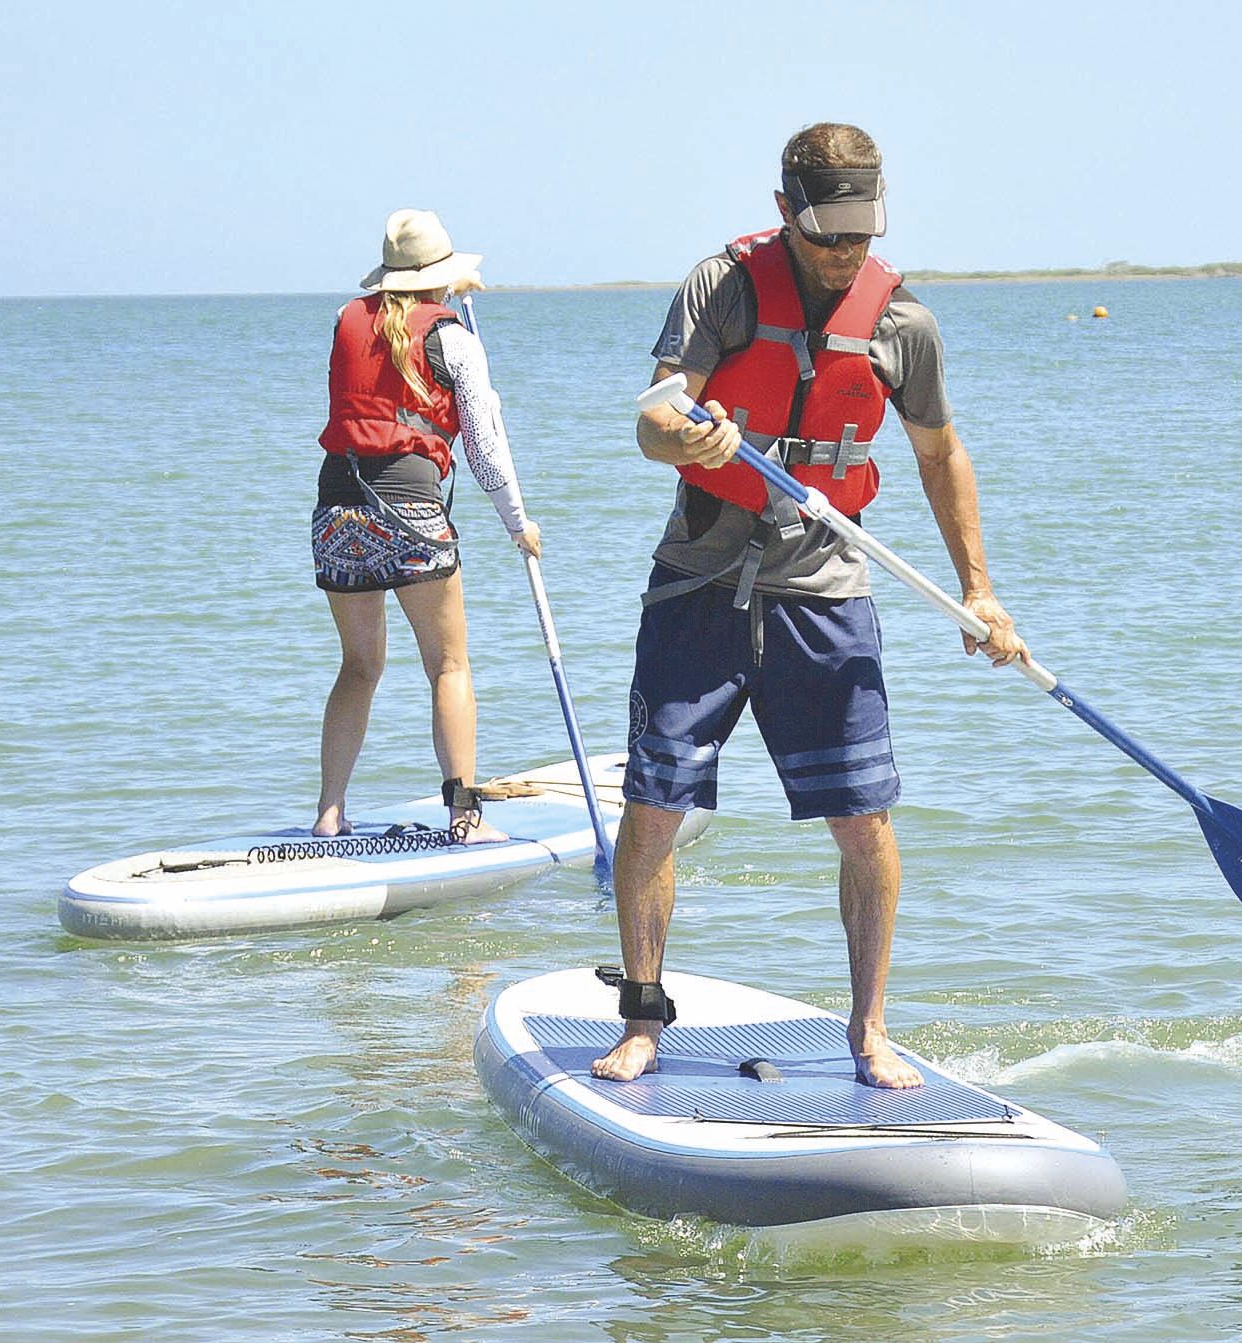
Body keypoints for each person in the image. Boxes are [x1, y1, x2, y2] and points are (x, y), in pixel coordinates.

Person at [591, 124, 1028, 1089]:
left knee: (864, 819)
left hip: (825, 591)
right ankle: (642, 1019)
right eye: (828, 232)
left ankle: (868, 1029)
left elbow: (938, 454)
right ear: (786, 209)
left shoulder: (902, 323)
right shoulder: (724, 286)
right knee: (653, 803)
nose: (845, 253)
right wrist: (685, 441)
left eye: (861, 234)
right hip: (700, 582)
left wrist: (977, 591)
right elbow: (654, 414)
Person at [311, 209, 540, 842]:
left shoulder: (345, 319)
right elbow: (485, 445)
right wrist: (518, 523)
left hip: (338, 509)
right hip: (409, 510)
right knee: (449, 666)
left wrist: (438, 305)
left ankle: (330, 812)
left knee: (359, 666)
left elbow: (383, 354)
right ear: (442, 279)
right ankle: (465, 815)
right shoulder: (456, 340)